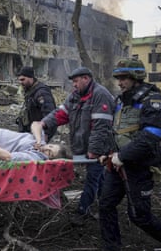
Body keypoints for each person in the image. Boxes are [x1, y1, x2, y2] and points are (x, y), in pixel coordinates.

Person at [87, 58, 161, 251]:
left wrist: (122, 156)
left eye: (124, 78)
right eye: (119, 78)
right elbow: (116, 131)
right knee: (105, 204)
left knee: (139, 216)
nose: (120, 82)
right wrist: (107, 153)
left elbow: (151, 136)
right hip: (117, 166)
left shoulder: (153, 101)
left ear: (136, 77)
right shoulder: (121, 101)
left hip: (139, 167)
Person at [35, 67, 115, 226]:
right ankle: (104, 205)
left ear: (86, 78)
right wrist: (44, 123)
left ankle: (82, 211)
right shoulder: (75, 97)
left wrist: (94, 151)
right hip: (83, 146)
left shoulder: (101, 95)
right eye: (73, 82)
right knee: (100, 178)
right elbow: (60, 114)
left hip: (100, 149)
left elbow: (101, 127)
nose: (74, 85)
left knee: (92, 178)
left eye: (76, 81)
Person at [16, 66, 57, 142]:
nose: (20, 82)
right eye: (19, 80)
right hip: (30, 132)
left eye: (23, 79)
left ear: (31, 77)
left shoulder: (41, 92)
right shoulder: (30, 90)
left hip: (39, 133)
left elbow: (50, 114)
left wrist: (46, 134)